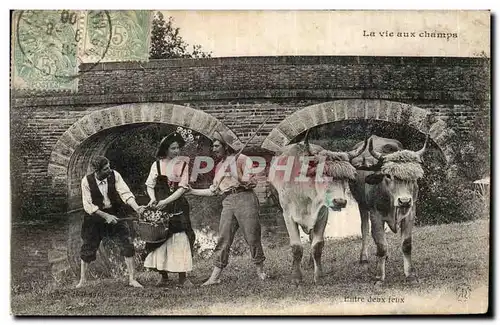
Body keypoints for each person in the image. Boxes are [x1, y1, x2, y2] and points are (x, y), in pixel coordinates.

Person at [190, 131, 267, 286]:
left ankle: (261, 272)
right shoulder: (219, 166)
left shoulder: (243, 159)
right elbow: (214, 191)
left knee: (252, 237)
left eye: (217, 146)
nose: (214, 149)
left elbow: (252, 183)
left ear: (226, 146)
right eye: (213, 146)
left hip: (245, 198)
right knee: (223, 238)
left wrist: (235, 174)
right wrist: (192, 191)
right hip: (228, 201)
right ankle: (215, 277)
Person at [77, 156, 145, 288]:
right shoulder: (86, 181)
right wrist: (105, 216)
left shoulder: (115, 175)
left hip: (116, 212)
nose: (109, 170)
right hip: (94, 216)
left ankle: (132, 279)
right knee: (88, 247)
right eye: (106, 168)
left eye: (109, 167)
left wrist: (137, 208)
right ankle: (82, 280)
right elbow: (88, 205)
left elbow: (125, 193)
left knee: (127, 243)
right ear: (97, 171)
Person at [143, 132, 196, 287]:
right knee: (159, 238)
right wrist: (153, 199)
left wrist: (166, 201)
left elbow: (182, 188)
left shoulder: (183, 165)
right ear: (165, 149)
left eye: (178, 148)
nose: (176, 151)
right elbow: (149, 185)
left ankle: (182, 277)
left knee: (180, 238)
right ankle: (163, 276)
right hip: (160, 207)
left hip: (177, 206)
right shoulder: (157, 165)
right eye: (173, 148)